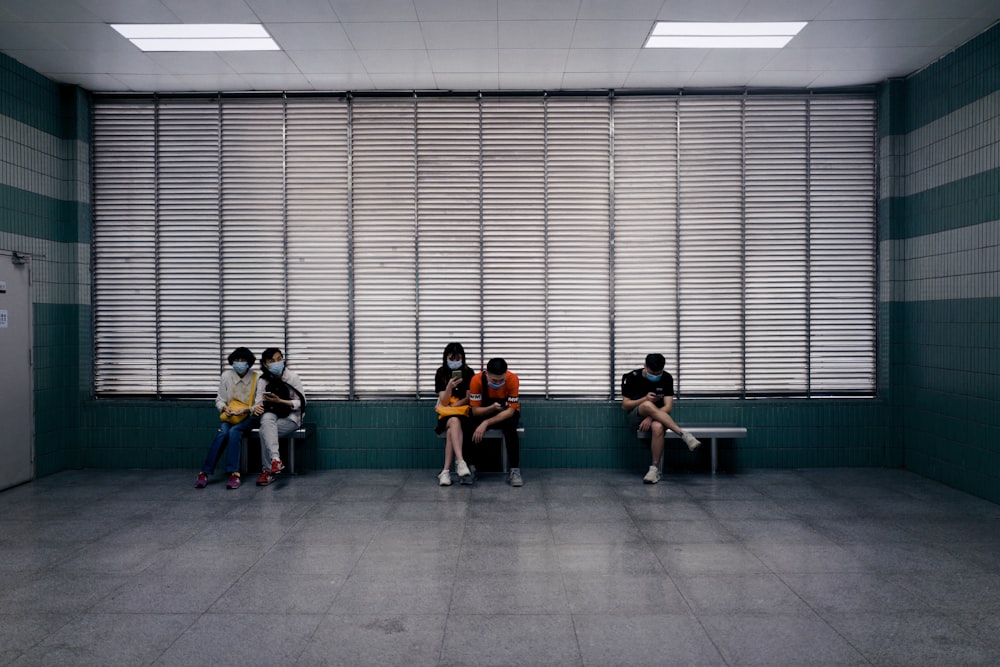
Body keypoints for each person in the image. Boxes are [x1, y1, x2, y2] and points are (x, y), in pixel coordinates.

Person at [621, 353, 701, 484]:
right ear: (645, 366)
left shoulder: (667, 378)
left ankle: (654, 470)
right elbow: (625, 405)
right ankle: (683, 434)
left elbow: (668, 407)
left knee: (657, 427)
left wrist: (651, 417)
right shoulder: (632, 377)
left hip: (658, 418)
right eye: (652, 373)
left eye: (658, 374)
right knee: (647, 404)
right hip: (635, 417)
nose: (656, 376)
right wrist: (645, 399)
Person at [195, 347, 258, 490]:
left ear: (249, 363)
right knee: (223, 432)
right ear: (232, 362)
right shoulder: (226, 376)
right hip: (230, 417)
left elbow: (260, 404)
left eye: (243, 360)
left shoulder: (257, 378)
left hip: (249, 417)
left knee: (234, 432)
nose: (240, 363)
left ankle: (234, 473)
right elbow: (220, 399)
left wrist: (247, 409)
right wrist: (225, 408)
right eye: (237, 360)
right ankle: (204, 473)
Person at [252, 347, 306, 486]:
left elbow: (302, 403)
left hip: (292, 418)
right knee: (266, 419)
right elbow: (257, 404)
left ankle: (267, 471)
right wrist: (255, 409)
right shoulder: (263, 380)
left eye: (279, 359)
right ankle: (276, 460)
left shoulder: (292, 377)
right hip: (271, 416)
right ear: (265, 364)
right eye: (271, 361)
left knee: (265, 431)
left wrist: (280, 401)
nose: (276, 363)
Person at [469, 357, 523, 487]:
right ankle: (470, 467)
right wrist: (491, 409)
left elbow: (510, 411)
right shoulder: (476, 381)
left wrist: (486, 423)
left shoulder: (512, 379)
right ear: (486, 374)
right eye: (494, 380)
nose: (498, 383)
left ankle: (514, 470)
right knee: (469, 425)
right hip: (485, 410)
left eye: (501, 380)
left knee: (510, 427)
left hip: (506, 413)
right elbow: (475, 411)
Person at [434, 343, 475, 486]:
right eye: (452, 358)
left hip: (463, 413)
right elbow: (444, 401)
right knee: (453, 421)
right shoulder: (440, 373)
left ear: (463, 358)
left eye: (458, 358)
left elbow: (470, 397)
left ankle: (445, 472)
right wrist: (449, 387)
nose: (455, 361)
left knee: (453, 426)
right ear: (446, 358)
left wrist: (455, 405)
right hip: (446, 414)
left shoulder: (469, 372)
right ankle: (461, 462)